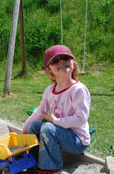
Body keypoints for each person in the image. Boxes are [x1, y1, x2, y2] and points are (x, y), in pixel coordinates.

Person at [22, 45, 91, 174]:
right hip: (59, 132)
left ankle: (50, 168)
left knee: (48, 127)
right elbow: (40, 112)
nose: (61, 61)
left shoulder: (78, 89)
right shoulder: (49, 90)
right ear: (49, 71)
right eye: (55, 61)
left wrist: (56, 120)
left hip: (77, 140)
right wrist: (25, 127)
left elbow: (81, 119)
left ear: (74, 65)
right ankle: (33, 162)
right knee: (33, 126)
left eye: (66, 58)